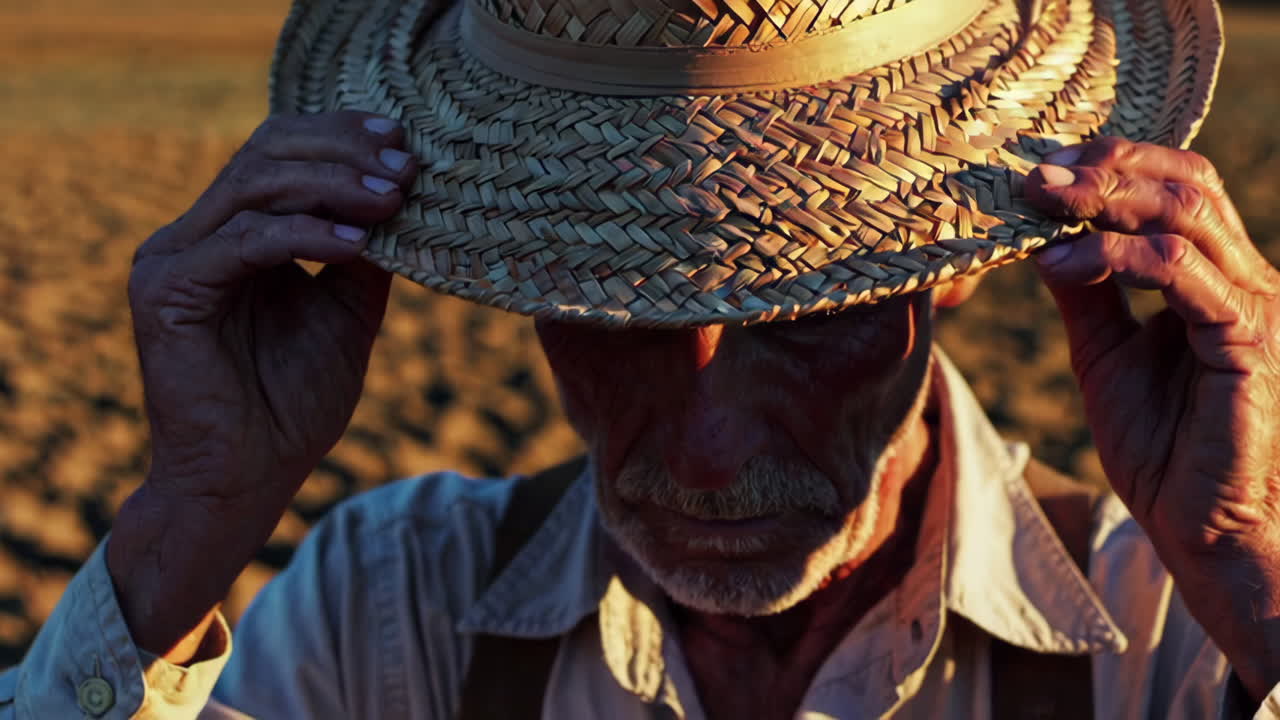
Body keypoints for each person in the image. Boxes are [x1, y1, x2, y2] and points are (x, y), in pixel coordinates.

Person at [4, 0, 1280, 717]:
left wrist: (1244, 558)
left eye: (803, 316)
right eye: (617, 317)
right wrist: (193, 512)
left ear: (961, 260)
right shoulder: (385, 610)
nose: (706, 450)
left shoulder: (1169, 637)